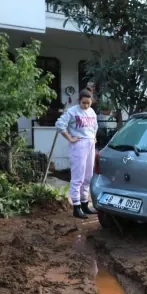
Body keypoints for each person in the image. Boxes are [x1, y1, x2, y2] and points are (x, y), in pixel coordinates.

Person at [55, 89, 99, 219]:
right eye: (83, 103)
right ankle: (76, 207)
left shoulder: (91, 112)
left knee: (88, 177)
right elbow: (59, 124)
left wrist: (94, 137)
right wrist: (70, 138)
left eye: (88, 103)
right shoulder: (72, 111)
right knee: (77, 177)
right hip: (78, 145)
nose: (86, 106)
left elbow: (95, 126)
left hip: (90, 144)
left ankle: (85, 205)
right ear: (79, 101)